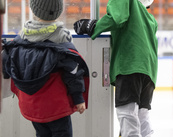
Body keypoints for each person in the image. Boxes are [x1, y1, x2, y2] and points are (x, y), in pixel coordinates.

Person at [2, 0, 89, 136]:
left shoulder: (23, 35)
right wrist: (78, 98)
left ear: (34, 10)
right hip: (55, 106)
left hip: (32, 104)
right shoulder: (62, 36)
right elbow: (72, 71)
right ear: (59, 11)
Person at [73, 0, 158, 136]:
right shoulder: (149, 17)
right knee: (142, 118)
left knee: (127, 115)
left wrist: (93, 26)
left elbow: (117, 18)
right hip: (149, 70)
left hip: (129, 65)